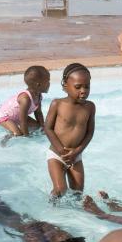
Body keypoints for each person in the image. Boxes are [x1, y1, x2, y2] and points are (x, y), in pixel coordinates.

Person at [44, 63, 95, 197]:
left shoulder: (90, 107)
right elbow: (48, 128)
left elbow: (90, 132)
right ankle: (52, 209)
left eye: (87, 86)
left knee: (78, 192)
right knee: (60, 190)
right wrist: (61, 150)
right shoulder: (58, 104)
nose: (83, 90)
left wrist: (77, 152)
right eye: (78, 87)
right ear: (65, 85)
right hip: (57, 154)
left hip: (75, 156)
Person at [0, 65, 50, 139]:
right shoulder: (25, 99)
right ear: (38, 85)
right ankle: (6, 137)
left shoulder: (39, 95)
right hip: (4, 117)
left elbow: (38, 113)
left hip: (18, 116)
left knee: (37, 128)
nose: (49, 84)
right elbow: (23, 121)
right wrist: (27, 137)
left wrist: (43, 128)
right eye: (48, 81)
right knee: (18, 134)